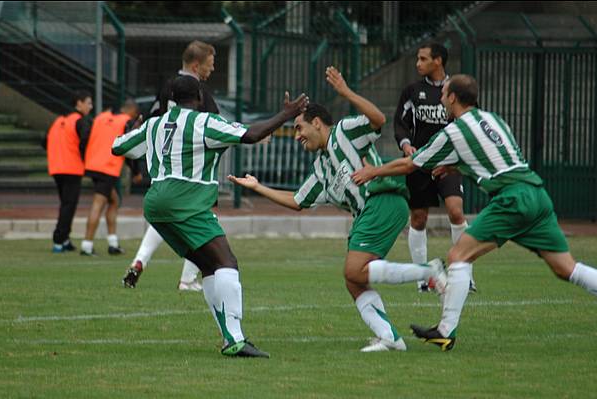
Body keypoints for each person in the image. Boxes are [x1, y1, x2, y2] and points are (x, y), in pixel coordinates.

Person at [351, 74, 597, 351]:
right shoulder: (494, 119)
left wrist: (373, 170)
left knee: (458, 255)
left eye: (444, 93)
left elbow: (411, 164)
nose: (441, 98)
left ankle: (445, 331)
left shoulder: (454, 131)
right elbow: (495, 158)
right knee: (567, 268)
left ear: (453, 97)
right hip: (537, 194)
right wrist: (454, 166)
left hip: (511, 199)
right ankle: (444, 330)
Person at [228, 67, 445, 353]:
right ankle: (390, 337)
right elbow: (297, 201)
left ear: (317, 123)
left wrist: (345, 93)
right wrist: (257, 187)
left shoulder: (344, 131)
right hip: (368, 214)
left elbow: (378, 120)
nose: (297, 136)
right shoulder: (320, 168)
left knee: (354, 269)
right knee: (353, 280)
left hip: (381, 202)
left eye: (299, 128)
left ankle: (429, 271)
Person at [112, 75, 309, 358]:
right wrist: (287, 114)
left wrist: (134, 129)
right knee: (227, 262)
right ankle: (236, 340)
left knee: (209, 267)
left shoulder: (155, 123)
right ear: (201, 98)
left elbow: (118, 148)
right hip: (186, 200)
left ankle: (231, 337)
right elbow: (251, 134)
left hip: (155, 203)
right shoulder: (203, 122)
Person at [124, 40, 218, 290]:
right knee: (202, 220)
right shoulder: (196, 92)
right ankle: (187, 279)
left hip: (165, 169)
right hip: (191, 171)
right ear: (196, 66)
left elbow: (152, 120)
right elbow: (214, 124)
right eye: (210, 65)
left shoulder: (168, 88)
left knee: (166, 217)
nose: (213, 70)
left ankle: (139, 261)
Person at [394, 43, 476, 292]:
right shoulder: (412, 91)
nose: (417, 63)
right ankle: (423, 278)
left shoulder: (456, 90)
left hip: (449, 163)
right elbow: (400, 123)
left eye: (423, 59)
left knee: (456, 211)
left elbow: (469, 120)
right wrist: (406, 145)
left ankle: (464, 275)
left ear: (438, 61)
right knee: (418, 218)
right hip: (420, 163)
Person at [79, 100, 141, 256]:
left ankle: (113, 243)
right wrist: (136, 172)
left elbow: (85, 139)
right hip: (108, 167)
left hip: (93, 164)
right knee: (98, 204)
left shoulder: (101, 117)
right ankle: (87, 245)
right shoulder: (126, 122)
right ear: (132, 111)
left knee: (114, 201)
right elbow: (129, 147)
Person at [45, 90, 93, 253]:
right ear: (78, 103)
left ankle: (64, 238)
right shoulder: (80, 121)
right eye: (88, 102)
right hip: (72, 168)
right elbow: (86, 139)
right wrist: (83, 156)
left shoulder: (59, 121)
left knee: (66, 204)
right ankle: (59, 239)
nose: (90, 107)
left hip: (56, 168)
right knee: (68, 205)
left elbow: (45, 141)